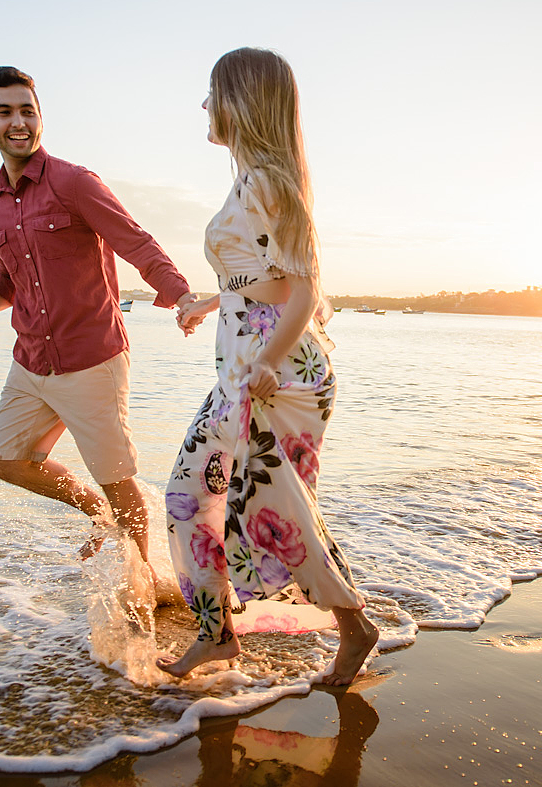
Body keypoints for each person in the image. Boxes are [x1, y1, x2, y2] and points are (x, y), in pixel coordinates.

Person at [158, 48, 379, 686]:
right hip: (248, 364)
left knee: (263, 506)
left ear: (243, 102)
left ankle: (353, 623)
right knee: (197, 494)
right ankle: (218, 634)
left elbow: (306, 292)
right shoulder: (253, 179)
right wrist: (212, 299)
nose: (203, 106)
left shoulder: (270, 184)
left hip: (275, 372)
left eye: (212, 93)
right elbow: (265, 280)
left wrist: (269, 364)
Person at [0, 66, 197, 570]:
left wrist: (182, 296)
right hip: (31, 360)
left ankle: (141, 585)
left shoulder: (75, 182)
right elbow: (11, 276)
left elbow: (135, 241)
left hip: (91, 357)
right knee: (8, 461)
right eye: (5, 112)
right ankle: (97, 513)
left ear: (40, 119)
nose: (18, 122)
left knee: (116, 478)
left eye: (27, 111)